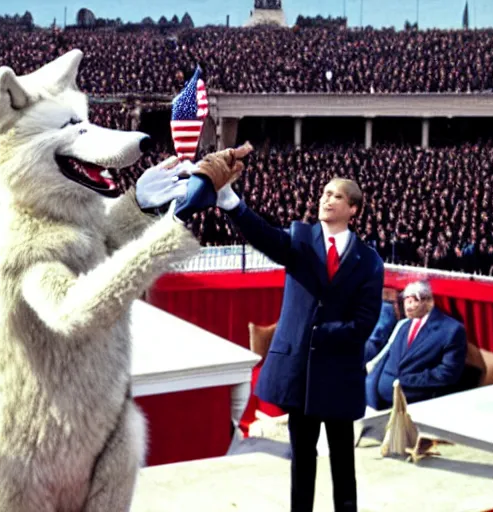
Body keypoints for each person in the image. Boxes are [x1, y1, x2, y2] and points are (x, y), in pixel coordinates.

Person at [175, 146, 384, 512]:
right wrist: (231, 203)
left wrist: (322, 334)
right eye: (324, 194)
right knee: (302, 459)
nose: (326, 200)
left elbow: (365, 320)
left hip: (338, 373)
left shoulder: (369, 260)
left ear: (353, 209)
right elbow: (265, 236)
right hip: (299, 375)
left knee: (342, 461)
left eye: (336, 196)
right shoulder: (301, 239)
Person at [365, 280, 467, 410]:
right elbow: (386, 361)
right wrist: (369, 388)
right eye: (407, 300)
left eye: (414, 300)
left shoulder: (451, 330)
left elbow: (447, 374)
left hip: (411, 407)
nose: (409, 306)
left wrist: (403, 381)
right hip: (376, 404)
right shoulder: (404, 326)